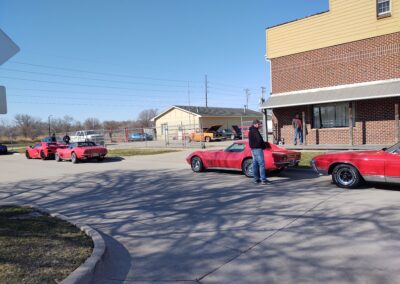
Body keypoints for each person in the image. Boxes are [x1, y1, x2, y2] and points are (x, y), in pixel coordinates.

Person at [248, 120, 270, 185]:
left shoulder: (251, 130)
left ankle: (256, 179)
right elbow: (259, 140)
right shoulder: (255, 131)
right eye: (259, 124)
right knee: (261, 164)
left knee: (255, 164)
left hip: (253, 149)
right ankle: (263, 179)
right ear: (255, 124)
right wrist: (264, 146)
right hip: (257, 149)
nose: (260, 125)